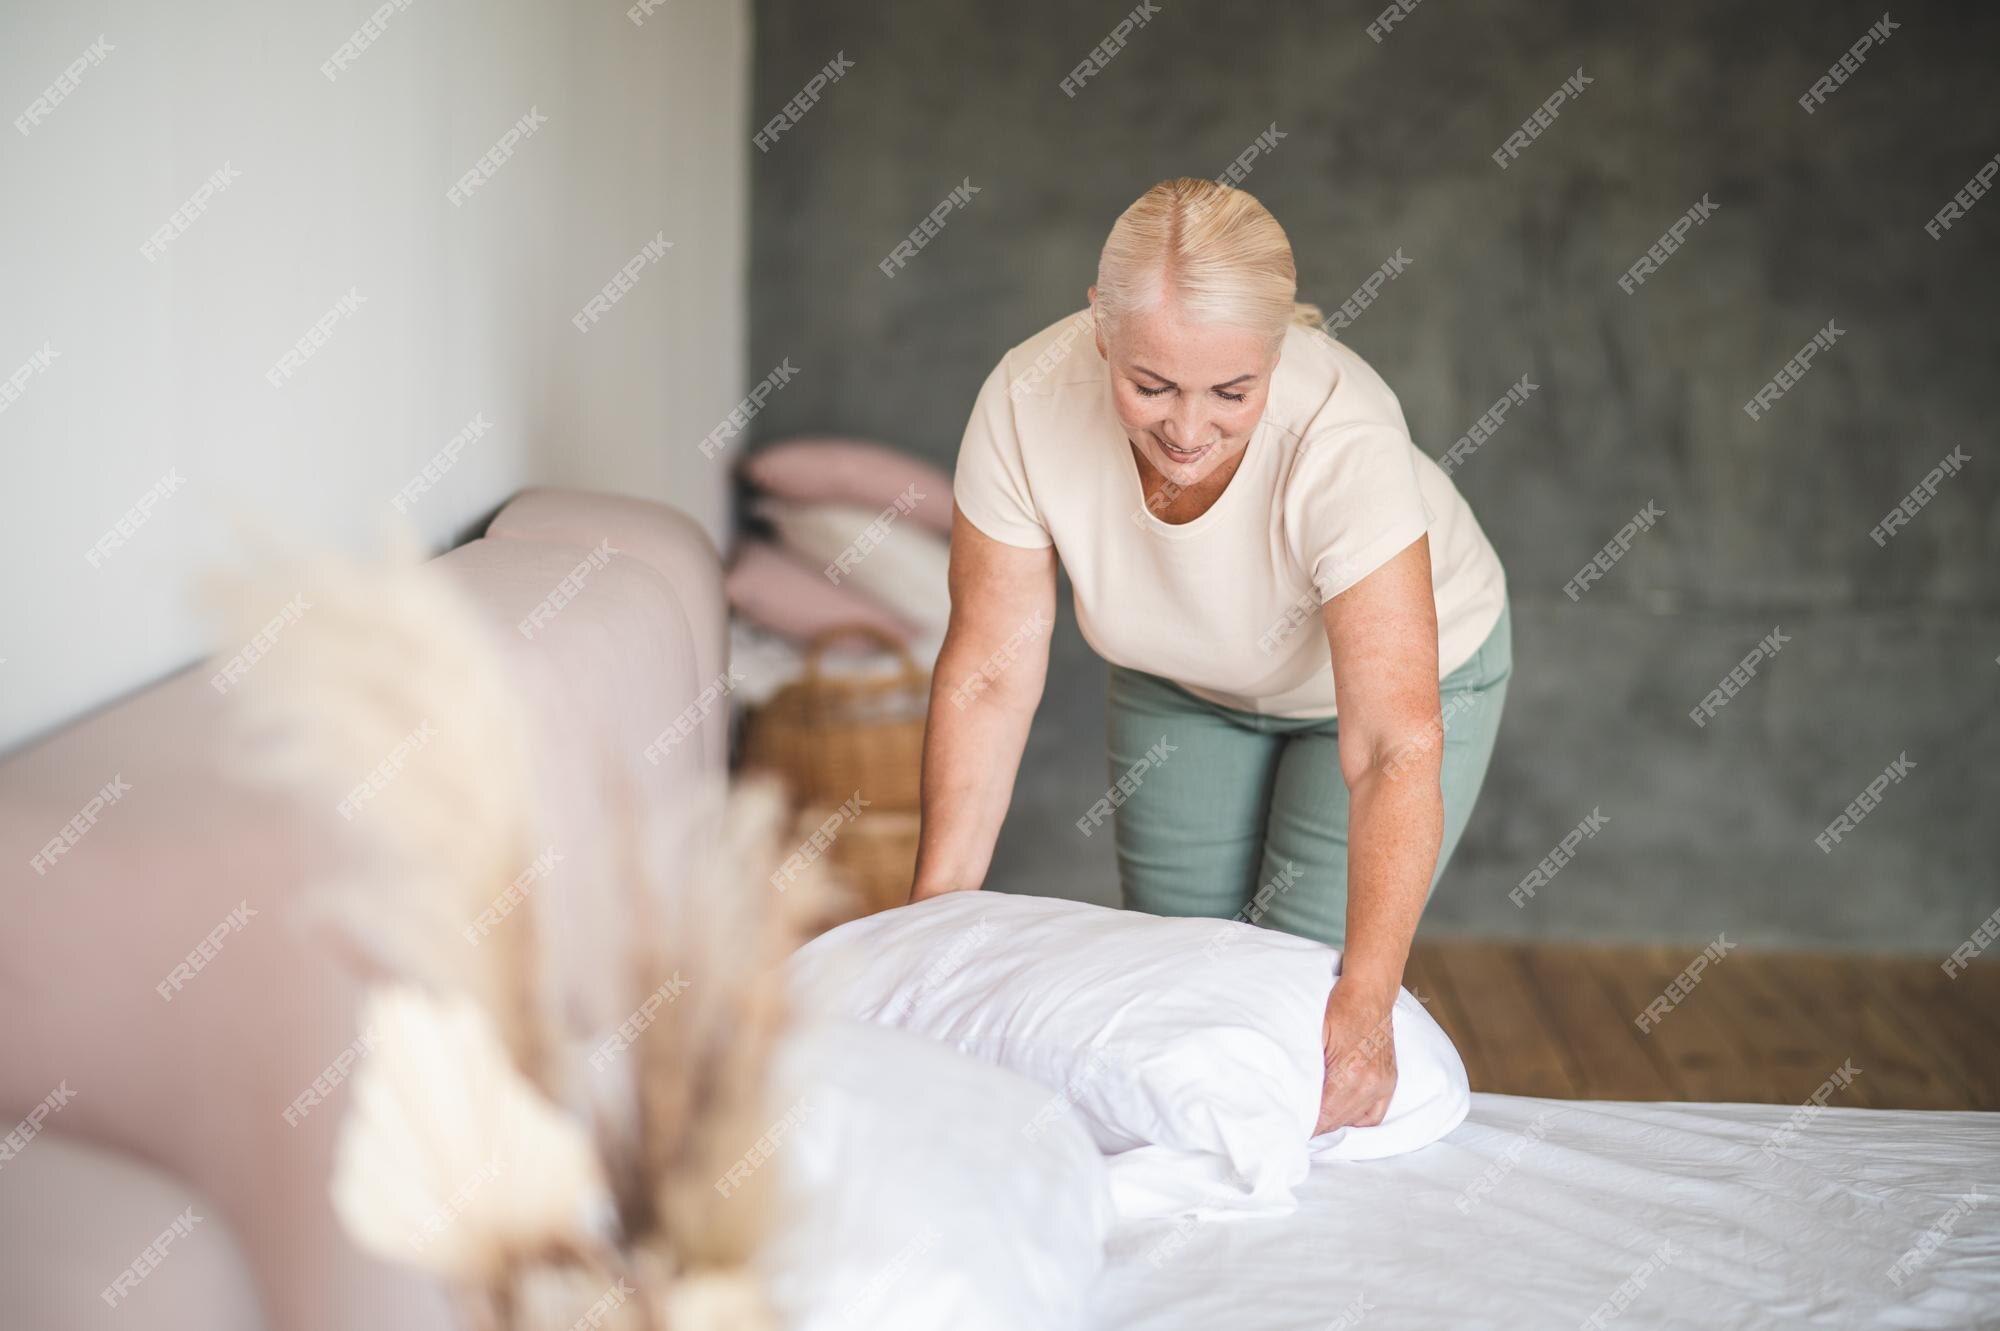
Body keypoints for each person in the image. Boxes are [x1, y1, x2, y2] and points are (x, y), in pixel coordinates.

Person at [909, 178, 1511, 1135]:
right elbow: (987, 674)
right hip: (1180, 681)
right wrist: (928, 931)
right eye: (1150, 386)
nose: (1187, 433)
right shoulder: (1026, 402)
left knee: (1294, 1018)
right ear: (1099, 324)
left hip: (1380, 704)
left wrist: (1366, 1005)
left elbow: (1393, 744)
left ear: (1279, 352)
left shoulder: (1341, 430)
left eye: (1232, 392)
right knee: (1178, 994)